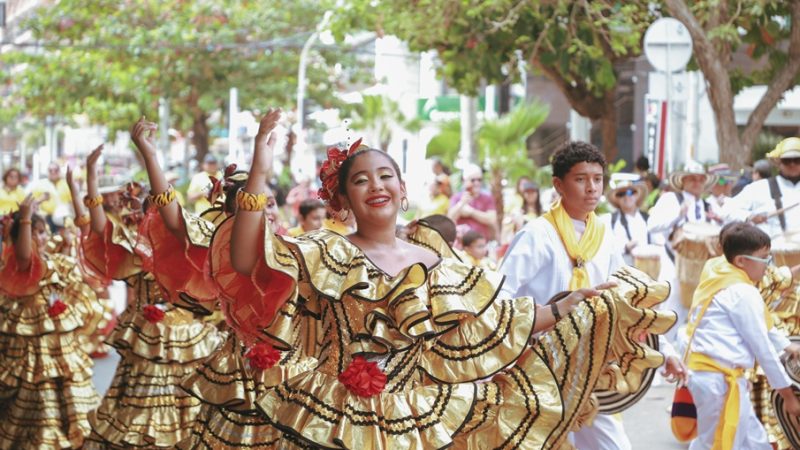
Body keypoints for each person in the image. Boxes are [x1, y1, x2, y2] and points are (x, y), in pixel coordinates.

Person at [217, 111, 675, 449]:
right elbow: (244, 260)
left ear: (402, 188)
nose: (376, 186)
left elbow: (493, 319)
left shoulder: (433, 254)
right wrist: (260, 164)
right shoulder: (324, 250)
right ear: (342, 197)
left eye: (386, 176)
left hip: (416, 415)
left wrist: (562, 308)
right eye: (360, 180)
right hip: (335, 415)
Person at [500, 141, 685, 450]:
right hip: (538, 364)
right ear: (559, 184)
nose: (591, 188)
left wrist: (664, 349)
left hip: (591, 365)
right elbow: (500, 295)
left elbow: (625, 300)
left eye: (597, 179)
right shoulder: (537, 234)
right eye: (581, 179)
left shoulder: (604, 234)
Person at [77, 142, 221, 449]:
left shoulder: (186, 245)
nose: (156, 221)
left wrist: (149, 153)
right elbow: (99, 228)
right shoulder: (134, 251)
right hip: (144, 336)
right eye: (149, 216)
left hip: (184, 334)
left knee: (189, 407)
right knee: (138, 408)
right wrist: (91, 176)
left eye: (162, 216)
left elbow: (167, 202)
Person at [683, 222, 800, 449]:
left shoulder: (717, 271)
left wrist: (787, 346)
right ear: (740, 261)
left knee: (754, 442)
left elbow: (757, 326)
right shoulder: (742, 291)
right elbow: (762, 347)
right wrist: (788, 395)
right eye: (764, 258)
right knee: (714, 443)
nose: (768, 265)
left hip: (720, 377)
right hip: (717, 379)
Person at [0, 195, 100, 448]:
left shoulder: (55, 261)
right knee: (41, 395)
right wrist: (24, 218)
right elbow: (24, 254)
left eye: (44, 232)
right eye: (35, 233)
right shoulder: (21, 265)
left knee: (68, 389)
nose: (42, 238)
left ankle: (72, 437)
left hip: (60, 342)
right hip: (33, 341)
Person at [723, 137, 800, 237]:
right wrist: (749, 217)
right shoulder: (759, 188)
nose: (792, 164)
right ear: (778, 162)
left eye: (797, 160)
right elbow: (727, 209)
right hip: (772, 250)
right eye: (787, 160)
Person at [607, 175, 651, 264]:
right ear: (617, 199)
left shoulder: (647, 218)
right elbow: (606, 248)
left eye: (631, 192)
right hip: (621, 273)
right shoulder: (610, 220)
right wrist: (625, 247)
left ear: (637, 195)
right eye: (621, 194)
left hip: (646, 270)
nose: (627, 196)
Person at [448, 163, 497, 240]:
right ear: (464, 181)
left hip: (480, 244)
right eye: (473, 180)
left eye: (479, 180)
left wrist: (471, 212)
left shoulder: (487, 197)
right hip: (461, 243)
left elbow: (492, 219)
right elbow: (450, 219)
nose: (476, 183)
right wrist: (461, 204)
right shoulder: (456, 197)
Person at [30, 162, 72, 232]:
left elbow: (72, 202)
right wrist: (41, 199)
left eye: (56, 170)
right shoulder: (41, 184)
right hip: (46, 219)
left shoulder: (66, 184)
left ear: (59, 171)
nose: (53, 172)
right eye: (50, 170)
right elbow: (32, 202)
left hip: (64, 218)